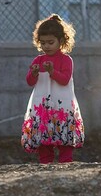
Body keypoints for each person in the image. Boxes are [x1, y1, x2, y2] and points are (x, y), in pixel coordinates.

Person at [21, 13, 84, 164]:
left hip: (62, 106)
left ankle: (66, 164)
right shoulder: (39, 60)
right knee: (43, 139)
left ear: (61, 41)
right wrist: (34, 73)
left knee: (65, 140)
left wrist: (51, 71)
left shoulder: (66, 60)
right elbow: (29, 81)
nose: (46, 46)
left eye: (50, 42)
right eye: (43, 43)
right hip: (43, 107)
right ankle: (45, 165)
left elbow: (64, 80)